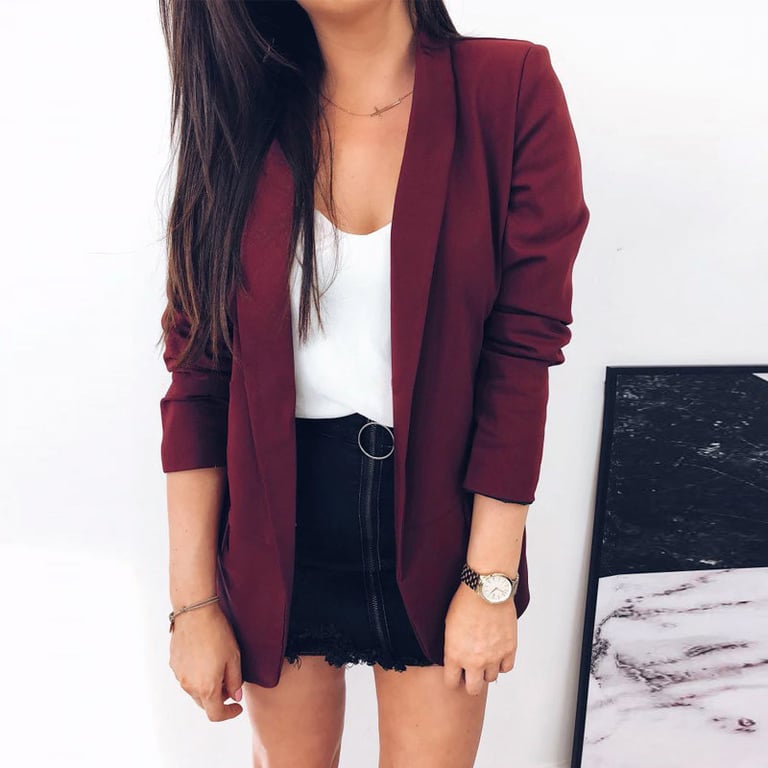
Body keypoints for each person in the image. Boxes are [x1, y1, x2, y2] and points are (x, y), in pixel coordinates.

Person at [157, 1, 590, 766]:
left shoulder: (508, 86)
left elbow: (522, 350)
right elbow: (198, 374)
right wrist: (192, 605)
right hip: (275, 526)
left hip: (439, 526)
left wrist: (489, 579)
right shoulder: (241, 115)